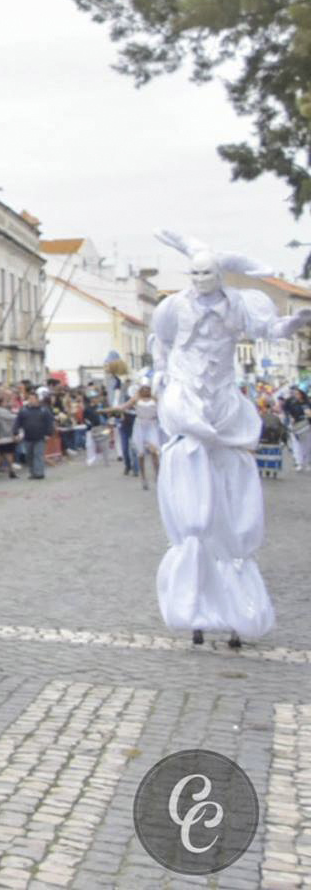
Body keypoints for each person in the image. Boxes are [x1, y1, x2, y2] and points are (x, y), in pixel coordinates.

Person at [151, 230, 306, 648]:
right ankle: (194, 602)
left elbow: (269, 329)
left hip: (222, 401)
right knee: (194, 516)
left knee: (231, 509)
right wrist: (162, 376)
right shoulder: (172, 307)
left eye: (207, 272)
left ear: (220, 274)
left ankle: (234, 602)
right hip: (188, 400)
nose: (200, 279)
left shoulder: (238, 304)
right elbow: (159, 342)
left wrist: (293, 322)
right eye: (194, 272)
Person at [16, 389, 55, 480]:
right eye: (29, 398)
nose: (31, 400)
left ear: (37, 399)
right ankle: (32, 472)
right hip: (28, 437)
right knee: (29, 456)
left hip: (40, 437)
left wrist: (48, 433)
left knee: (38, 455)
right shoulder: (24, 410)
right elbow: (18, 422)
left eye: (33, 398)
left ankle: (39, 473)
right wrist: (16, 432)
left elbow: (49, 422)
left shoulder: (44, 410)